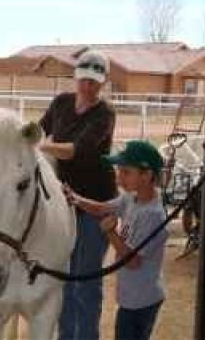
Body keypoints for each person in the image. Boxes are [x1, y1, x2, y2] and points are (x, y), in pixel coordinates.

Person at [38, 50, 117, 340]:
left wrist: (41, 148)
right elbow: (38, 129)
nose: (88, 86)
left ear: (104, 82)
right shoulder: (60, 103)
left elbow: (77, 151)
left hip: (94, 206)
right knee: (64, 279)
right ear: (76, 76)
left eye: (94, 81)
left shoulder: (105, 114)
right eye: (84, 79)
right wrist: (20, 138)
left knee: (86, 281)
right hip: (64, 204)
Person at [63, 140, 169, 340]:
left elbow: (133, 262)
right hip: (132, 295)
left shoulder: (153, 215)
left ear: (146, 176)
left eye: (126, 172)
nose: (119, 178)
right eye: (119, 171)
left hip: (142, 299)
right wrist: (75, 198)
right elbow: (102, 208)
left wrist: (111, 232)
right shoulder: (132, 198)